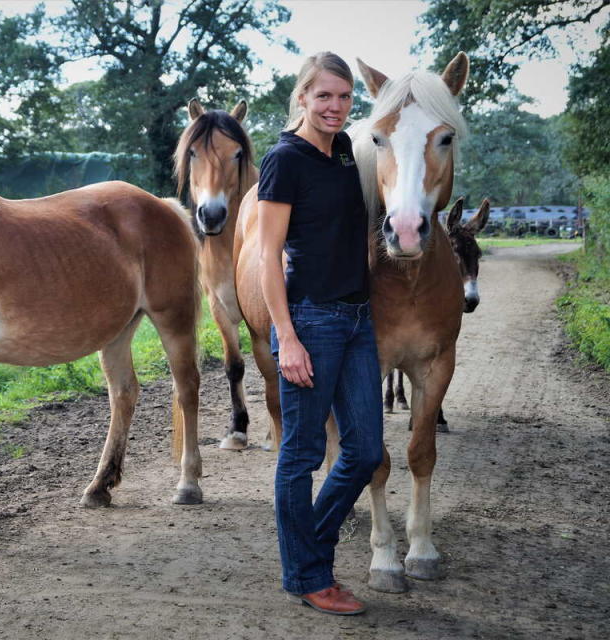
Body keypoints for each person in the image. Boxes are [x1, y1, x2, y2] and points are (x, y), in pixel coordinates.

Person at [257, 51, 384, 616]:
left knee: (364, 451)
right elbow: (267, 256)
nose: (335, 106)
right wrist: (286, 336)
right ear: (302, 96)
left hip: (358, 319)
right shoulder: (285, 159)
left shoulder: (346, 156)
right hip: (312, 319)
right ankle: (309, 575)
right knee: (303, 453)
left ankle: (310, 549)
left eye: (345, 96)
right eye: (324, 95)